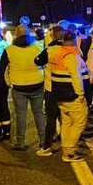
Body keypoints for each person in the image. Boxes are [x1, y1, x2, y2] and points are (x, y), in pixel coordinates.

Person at [1, 24, 47, 152]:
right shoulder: (38, 47)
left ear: (16, 34)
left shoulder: (9, 50)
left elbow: (3, 69)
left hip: (19, 86)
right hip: (37, 84)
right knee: (38, 113)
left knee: (20, 115)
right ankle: (43, 141)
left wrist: (8, 83)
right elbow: (45, 65)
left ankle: (20, 142)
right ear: (29, 34)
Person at [47, 28, 88, 161]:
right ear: (74, 41)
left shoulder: (58, 53)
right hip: (72, 95)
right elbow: (76, 77)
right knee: (79, 122)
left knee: (67, 122)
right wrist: (80, 94)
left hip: (60, 94)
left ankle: (66, 149)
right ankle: (70, 151)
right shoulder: (71, 56)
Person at [35, 25, 66, 156]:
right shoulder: (73, 49)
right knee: (66, 118)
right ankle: (67, 143)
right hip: (68, 88)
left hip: (52, 88)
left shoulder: (49, 50)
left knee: (51, 118)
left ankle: (47, 146)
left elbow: (37, 61)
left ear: (52, 36)